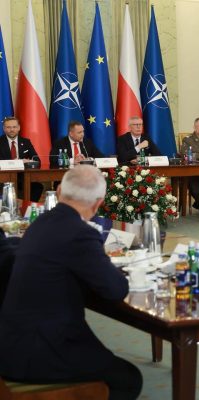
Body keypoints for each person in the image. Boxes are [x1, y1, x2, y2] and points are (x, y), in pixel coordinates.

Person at [0, 165, 143, 399]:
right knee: (129, 379)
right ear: (98, 204)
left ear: (59, 192)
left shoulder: (40, 222)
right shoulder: (80, 233)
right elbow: (116, 290)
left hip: (12, 342)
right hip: (40, 351)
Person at [0, 117, 43, 201]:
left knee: (37, 187)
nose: (12, 130)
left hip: (23, 177)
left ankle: (27, 206)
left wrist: (29, 162)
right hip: (3, 178)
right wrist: (18, 162)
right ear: (4, 129)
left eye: (14, 127)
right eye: (8, 127)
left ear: (19, 128)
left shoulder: (26, 142)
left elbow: (37, 161)